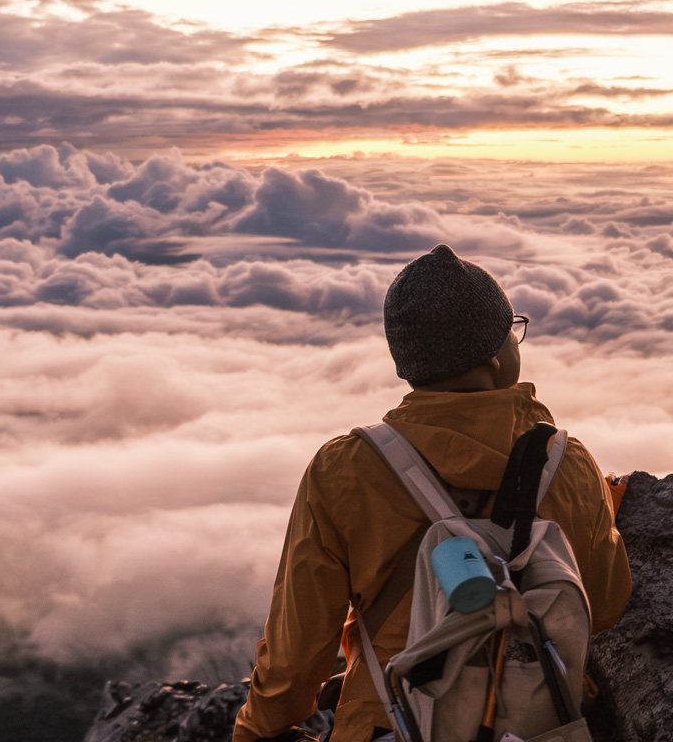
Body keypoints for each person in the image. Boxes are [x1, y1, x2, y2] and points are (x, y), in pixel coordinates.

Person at [232, 244, 632, 742]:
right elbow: (604, 604)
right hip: (531, 723)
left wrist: (253, 731)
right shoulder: (566, 466)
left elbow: (295, 656)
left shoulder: (344, 470)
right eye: (511, 329)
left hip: (389, 721)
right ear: (492, 357)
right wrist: (599, 515)